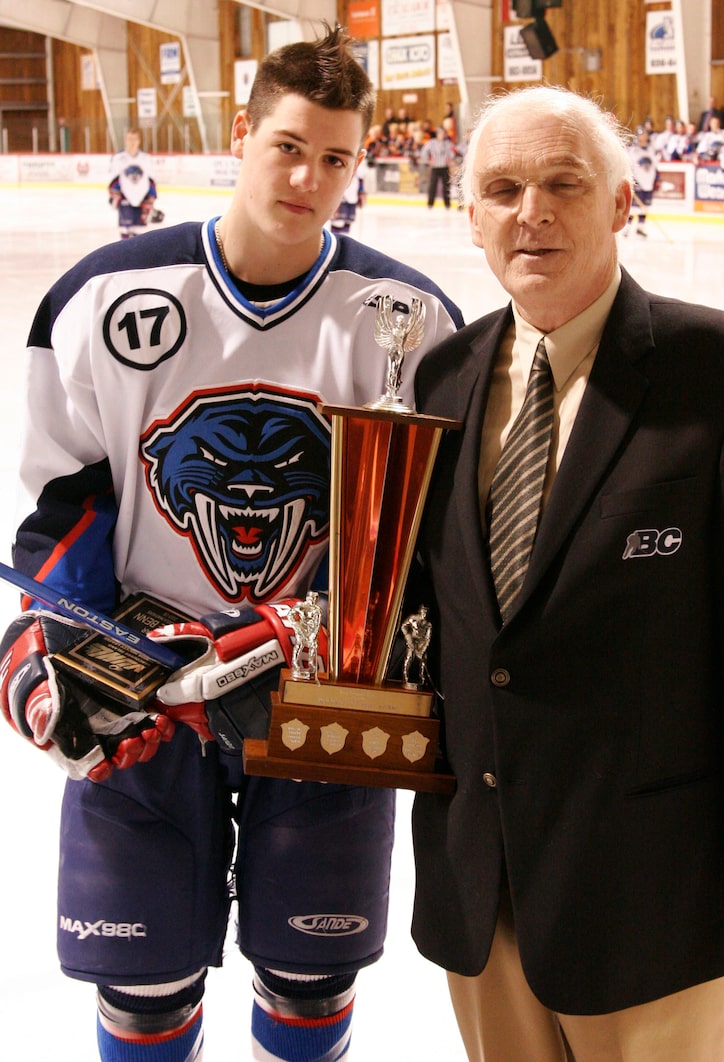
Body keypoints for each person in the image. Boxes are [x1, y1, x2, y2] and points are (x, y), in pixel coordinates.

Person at [0, 24, 462, 1062]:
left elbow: (421, 527)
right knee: (143, 979)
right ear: (243, 133)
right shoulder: (105, 297)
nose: (308, 178)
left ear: (359, 163)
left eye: (336, 158)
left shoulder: (410, 316)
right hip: (147, 691)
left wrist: (307, 631)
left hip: (318, 688)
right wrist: (55, 630)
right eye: (287, 146)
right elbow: (67, 494)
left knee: (311, 971)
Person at [404, 84, 724, 1061]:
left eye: (562, 183)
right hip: (482, 893)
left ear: (621, 202)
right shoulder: (441, 383)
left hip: (653, 901)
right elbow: (442, 626)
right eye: (502, 188)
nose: (531, 212)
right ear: (468, 217)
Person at [108, 127, 162, 238]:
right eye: (129, 139)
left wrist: (151, 199)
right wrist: (115, 195)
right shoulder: (118, 158)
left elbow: (151, 180)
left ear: (139, 141)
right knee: (125, 235)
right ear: (125, 140)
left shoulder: (145, 158)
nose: (132, 142)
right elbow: (114, 180)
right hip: (125, 200)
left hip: (142, 199)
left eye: (134, 139)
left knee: (140, 236)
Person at [625, 125, 660, 237]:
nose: (643, 137)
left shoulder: (651, 149)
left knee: (644, 208)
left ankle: (640, 228)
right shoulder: (633, 150)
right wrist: (632, 180)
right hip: (638, 183)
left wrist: (657, 179)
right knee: (633, 207)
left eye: (645, 135)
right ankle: (628, 228)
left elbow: (655, 166)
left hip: (648, 183)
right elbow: (628, 166)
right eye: (641, 135)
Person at [420, 125, 458, 209]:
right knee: (432, 186)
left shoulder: (447, 143)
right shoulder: (432, 142)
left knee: (446, 187)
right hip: (435, 168)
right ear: (437, 134)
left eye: (443, 133)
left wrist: (450, 159)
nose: (442, 135)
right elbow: (424, 151)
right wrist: (428, 161)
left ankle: (447, 205)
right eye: (440, 133)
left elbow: (454, 152)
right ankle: (430, 204)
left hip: (444, 168)